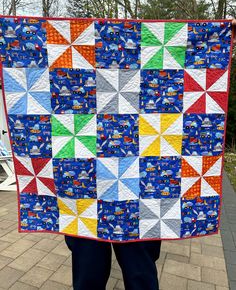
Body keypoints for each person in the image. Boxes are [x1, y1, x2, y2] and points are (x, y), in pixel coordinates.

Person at [65, 19, 236, 290]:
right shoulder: (82, 72)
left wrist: (219, 37)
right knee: (88, 276)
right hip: (88, 188)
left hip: (140, 190)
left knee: (140, 276)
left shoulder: (149, 75)